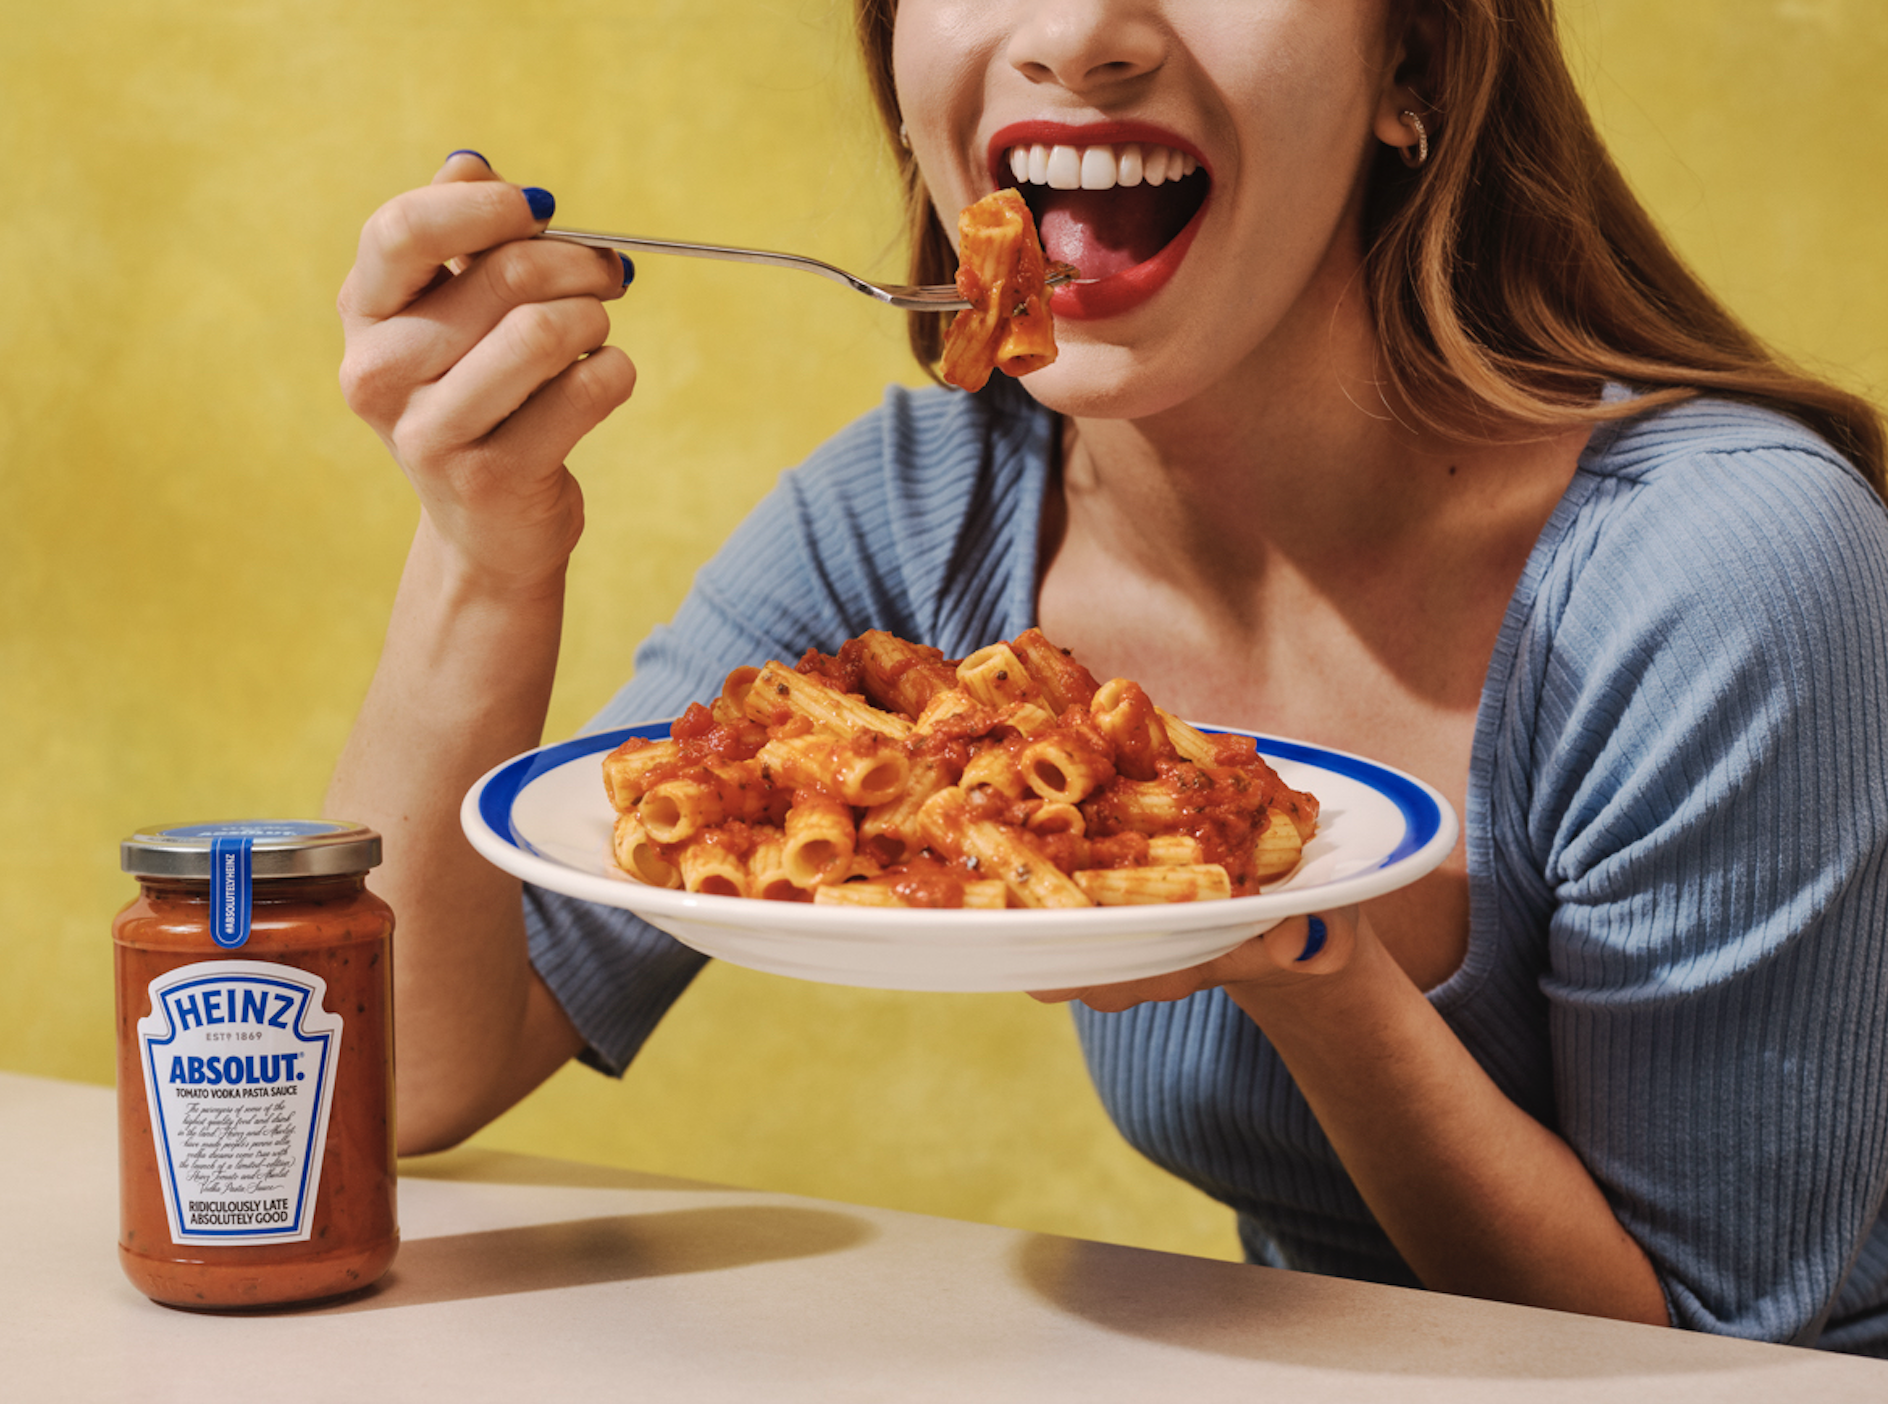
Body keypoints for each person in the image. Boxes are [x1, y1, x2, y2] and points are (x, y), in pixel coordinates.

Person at [329, 0, 1888, 1351]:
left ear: (1414, 65)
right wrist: (482, 550)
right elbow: (403, 1086)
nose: (1079, 32)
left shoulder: (1720, 565)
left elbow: (1703, 1358)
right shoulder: (926, 523)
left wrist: (1308, 965)